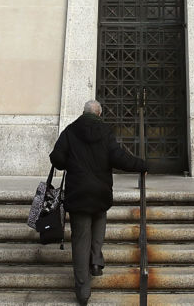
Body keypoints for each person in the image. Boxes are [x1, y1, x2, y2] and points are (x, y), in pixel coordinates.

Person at [49, 99, 147, 305]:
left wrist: (73, 164)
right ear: (99, 114)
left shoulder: (70, 130)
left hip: (78, 193)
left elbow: (56, 158)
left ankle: (83, 291)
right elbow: (119, 157)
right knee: (100, 220)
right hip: (100, 192)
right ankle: (96, 260)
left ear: (83, 112)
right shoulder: (105, 131)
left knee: (80, 240)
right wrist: (142, 165)